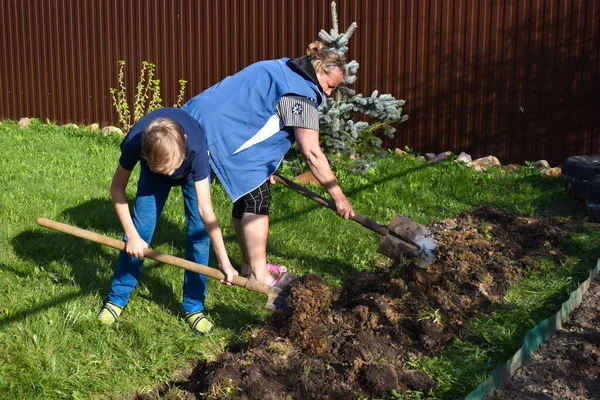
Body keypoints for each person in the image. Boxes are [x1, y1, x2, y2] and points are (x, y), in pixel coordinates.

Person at [182, 49, 356, 287]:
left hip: (196, 117)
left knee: (247, 196)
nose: (328, 93)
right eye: (329, 86)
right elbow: (312, 153)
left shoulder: (280, 67)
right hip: (220, 138)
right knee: (257, 199)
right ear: (318, 71)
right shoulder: (301, 97)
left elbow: (255, 107)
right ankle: (258, 275)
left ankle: (249, 264)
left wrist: (265, 165)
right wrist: (339, 197)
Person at [98, 107, 238, 336]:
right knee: (139, 230)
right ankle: (117, 298)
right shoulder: (135, 142)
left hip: (191, 171)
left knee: (198, 234)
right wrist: (132, 237)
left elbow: (206, 210)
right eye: (166, 170)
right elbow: (117, 189)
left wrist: (224, 260)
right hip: (154, 172)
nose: (171, 174)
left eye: (173, 168)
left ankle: (194, 307)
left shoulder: (195, 148)